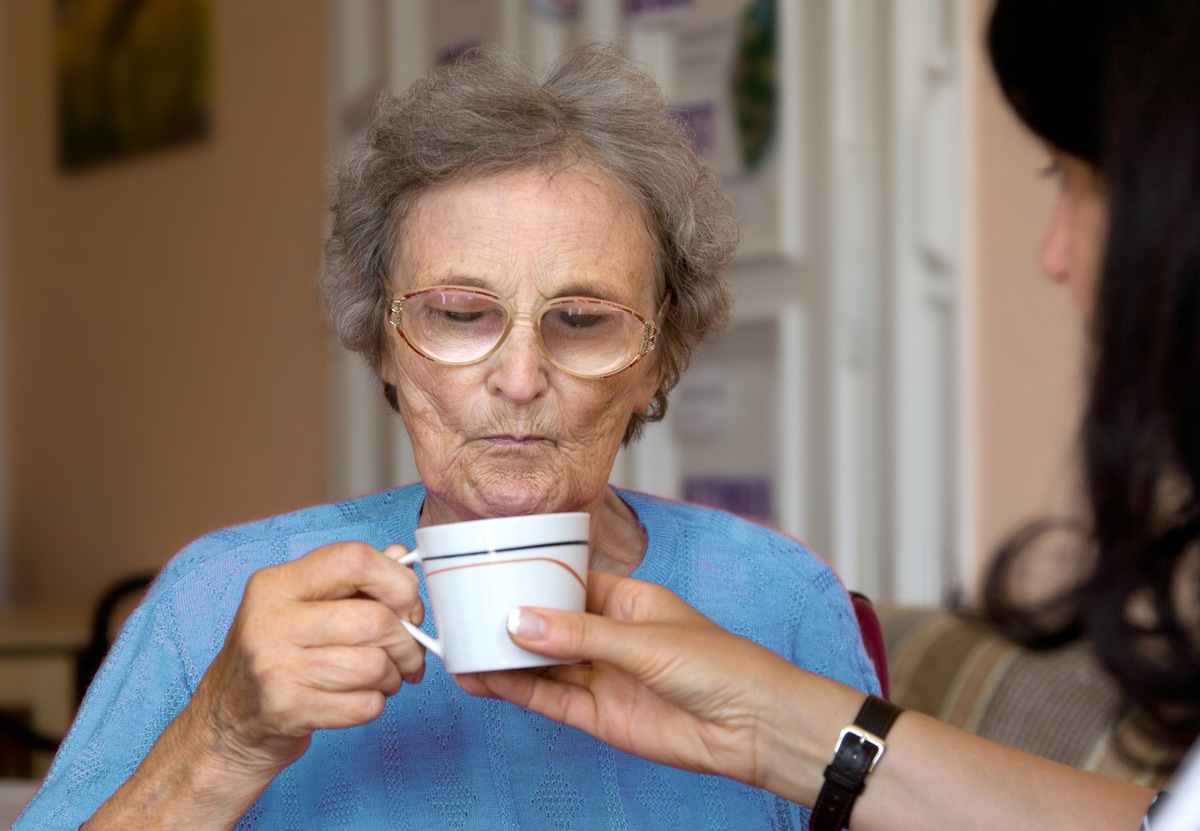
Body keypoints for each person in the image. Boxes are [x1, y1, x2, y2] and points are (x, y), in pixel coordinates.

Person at [15, 46, 879, 830]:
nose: (519, 376)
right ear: (382, 342)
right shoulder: (214, 601)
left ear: (661, 357)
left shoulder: (781, 600)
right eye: (462, 315)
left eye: (581, 320)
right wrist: (223, 736)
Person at [457, 1, 1200, 830]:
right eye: (458, 314)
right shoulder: (284, 579)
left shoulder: (789, 598)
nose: (1052, 255)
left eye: (1076, 179)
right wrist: (775, 723)